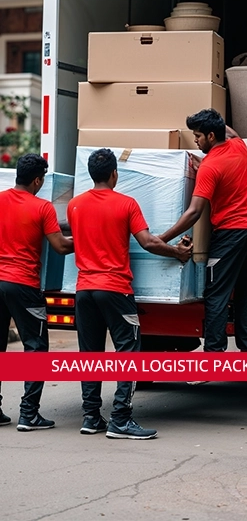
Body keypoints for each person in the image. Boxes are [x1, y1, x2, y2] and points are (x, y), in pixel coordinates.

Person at [67, 147, 192, 440]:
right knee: (128, 352)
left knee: (90, 354)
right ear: (114, 174)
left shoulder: (74, 206)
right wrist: (177, 253)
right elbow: (147, 242)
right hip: (114, 289)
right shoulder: (126, 203)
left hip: (84, 289)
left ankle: (90, 416)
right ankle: (121, 419)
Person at [159, 109, 247, 353]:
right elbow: (231, 133)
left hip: (229, 235)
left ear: (212, 136)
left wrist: (161, 239)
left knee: (217, 295)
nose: (195, 140)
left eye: (198, 136)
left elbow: (194, 212)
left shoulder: (210, 167)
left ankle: (214, 357)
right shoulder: (239, 147)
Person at [0, 153, 74, 430]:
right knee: (35, 348)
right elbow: (61, 246)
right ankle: (29, 414)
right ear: (37, 180)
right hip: (23, 285)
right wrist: (92, 234)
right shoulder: (42, 207)